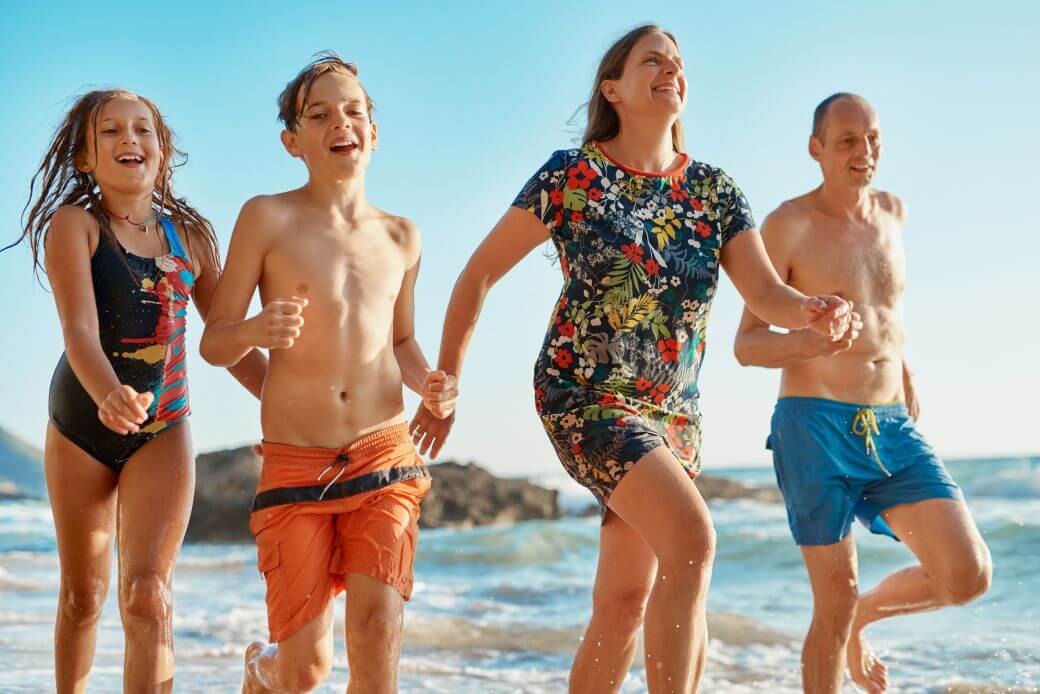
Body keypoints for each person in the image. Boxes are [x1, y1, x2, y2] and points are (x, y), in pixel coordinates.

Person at [432, 26, 850, 694]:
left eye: (678, 63)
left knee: (626, 601)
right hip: (584, 397)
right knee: (694, 541)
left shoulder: (714, 191)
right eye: (652, 60)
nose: (671, 70)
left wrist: (811, 309)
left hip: (673, 415)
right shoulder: (571, 176)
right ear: (613, 88)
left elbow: (767, 292)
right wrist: (447, 380)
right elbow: (477, 274)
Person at [199, 52, 457, 694]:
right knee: (305, 670)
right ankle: (265, 668)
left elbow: (401, 340)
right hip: (296, 464)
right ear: (294, 141)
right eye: (319, 114)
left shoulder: (403, 236)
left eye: (354, 110)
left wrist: (430, 381)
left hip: (382, 455)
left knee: (375, 649)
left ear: (374, 130)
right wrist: (255, 332)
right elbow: (214, 342)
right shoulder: (267, 217)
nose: (341, 122)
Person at [5, 89, 267, 692]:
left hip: (164, 428)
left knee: (149, 597)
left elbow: (226, 343)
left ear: (162, 148)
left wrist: (292, 411)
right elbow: (78, 331)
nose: (130, 139)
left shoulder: (191, 240)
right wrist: (107, 393)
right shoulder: (75, 226)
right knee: (82, 596)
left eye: (142, 129)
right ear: (84, 158)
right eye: (111, 132)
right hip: (81, 425)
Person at [733, 92, 992, 693]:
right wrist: (813, 344)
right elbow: (747, 345)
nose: (864, 151)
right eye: (848, 140)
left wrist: (904, 369)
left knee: (966, 575)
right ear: (816, 150)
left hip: (891, 424)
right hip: (814, 426)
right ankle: (848, 621)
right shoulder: (788, 224)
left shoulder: (894, 213)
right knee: (834, 600)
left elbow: (885, 310)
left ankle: (865, 619)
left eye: (872, 137)